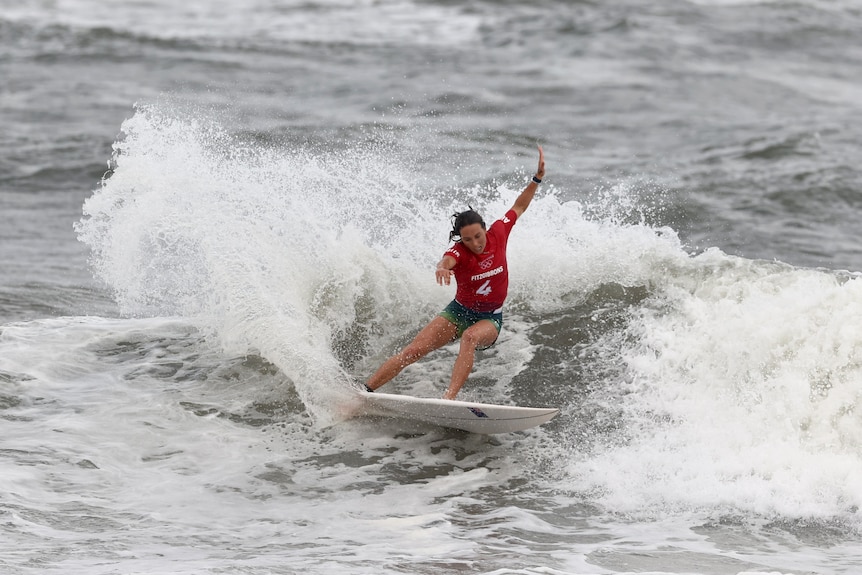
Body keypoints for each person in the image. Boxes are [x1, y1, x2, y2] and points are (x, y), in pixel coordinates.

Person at [365, 145, 546, 400]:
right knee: (413, 351)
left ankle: (448, 399)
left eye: (478, 236)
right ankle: (365, 391)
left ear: (485, 228)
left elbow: (519, 206)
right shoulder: (459, 251)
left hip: (489, 319)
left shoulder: (499, 233)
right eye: (468, 239)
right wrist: (441, 268)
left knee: (471, 337)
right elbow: (447, 260)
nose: (475, 243)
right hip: (458, 312)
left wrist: (537, 178)